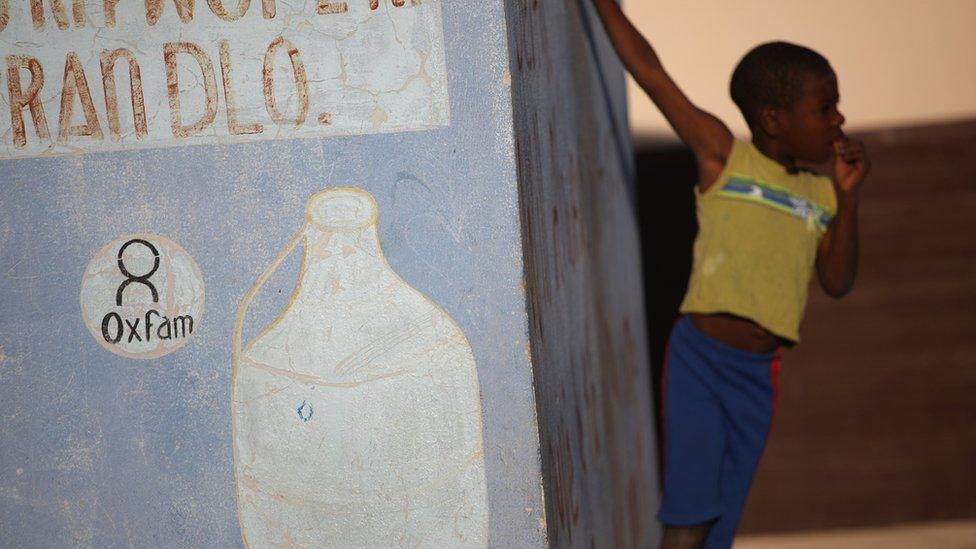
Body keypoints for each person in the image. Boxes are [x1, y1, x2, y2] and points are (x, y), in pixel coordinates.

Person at [590, 2, 871, 548]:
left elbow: (838, 282)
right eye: (825, 107)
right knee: (689, 515)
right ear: (774, 120)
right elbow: (650, 72)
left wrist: (849, 199)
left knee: (718, 529)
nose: (839, 119)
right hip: (700, 362)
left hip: (756, 377)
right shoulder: (724, 157)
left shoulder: (820, 195)